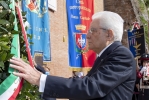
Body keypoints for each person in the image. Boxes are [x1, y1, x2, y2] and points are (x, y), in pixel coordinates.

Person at [10, 11, 136, 100]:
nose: (87, 35)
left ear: (109, 34)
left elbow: (91, 87)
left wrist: (40, 79)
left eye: (92, 30)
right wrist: (44, 78)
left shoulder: (121, 55)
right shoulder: (106, 56)